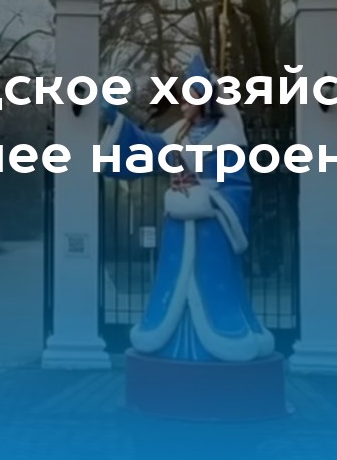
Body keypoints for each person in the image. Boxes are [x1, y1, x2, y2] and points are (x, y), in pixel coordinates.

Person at [100, 55, 274, 362]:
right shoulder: (178, 133)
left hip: (213, 230)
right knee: (172, 282)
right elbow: (148, 148)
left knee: (214, 286)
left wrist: (208, 200)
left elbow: (238, 187)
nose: (182, 105)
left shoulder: (228, 136)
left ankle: (223, 339)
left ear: (205, 100)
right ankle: (169, 343)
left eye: (189, 98)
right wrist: (118, 121)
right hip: (178, 228)